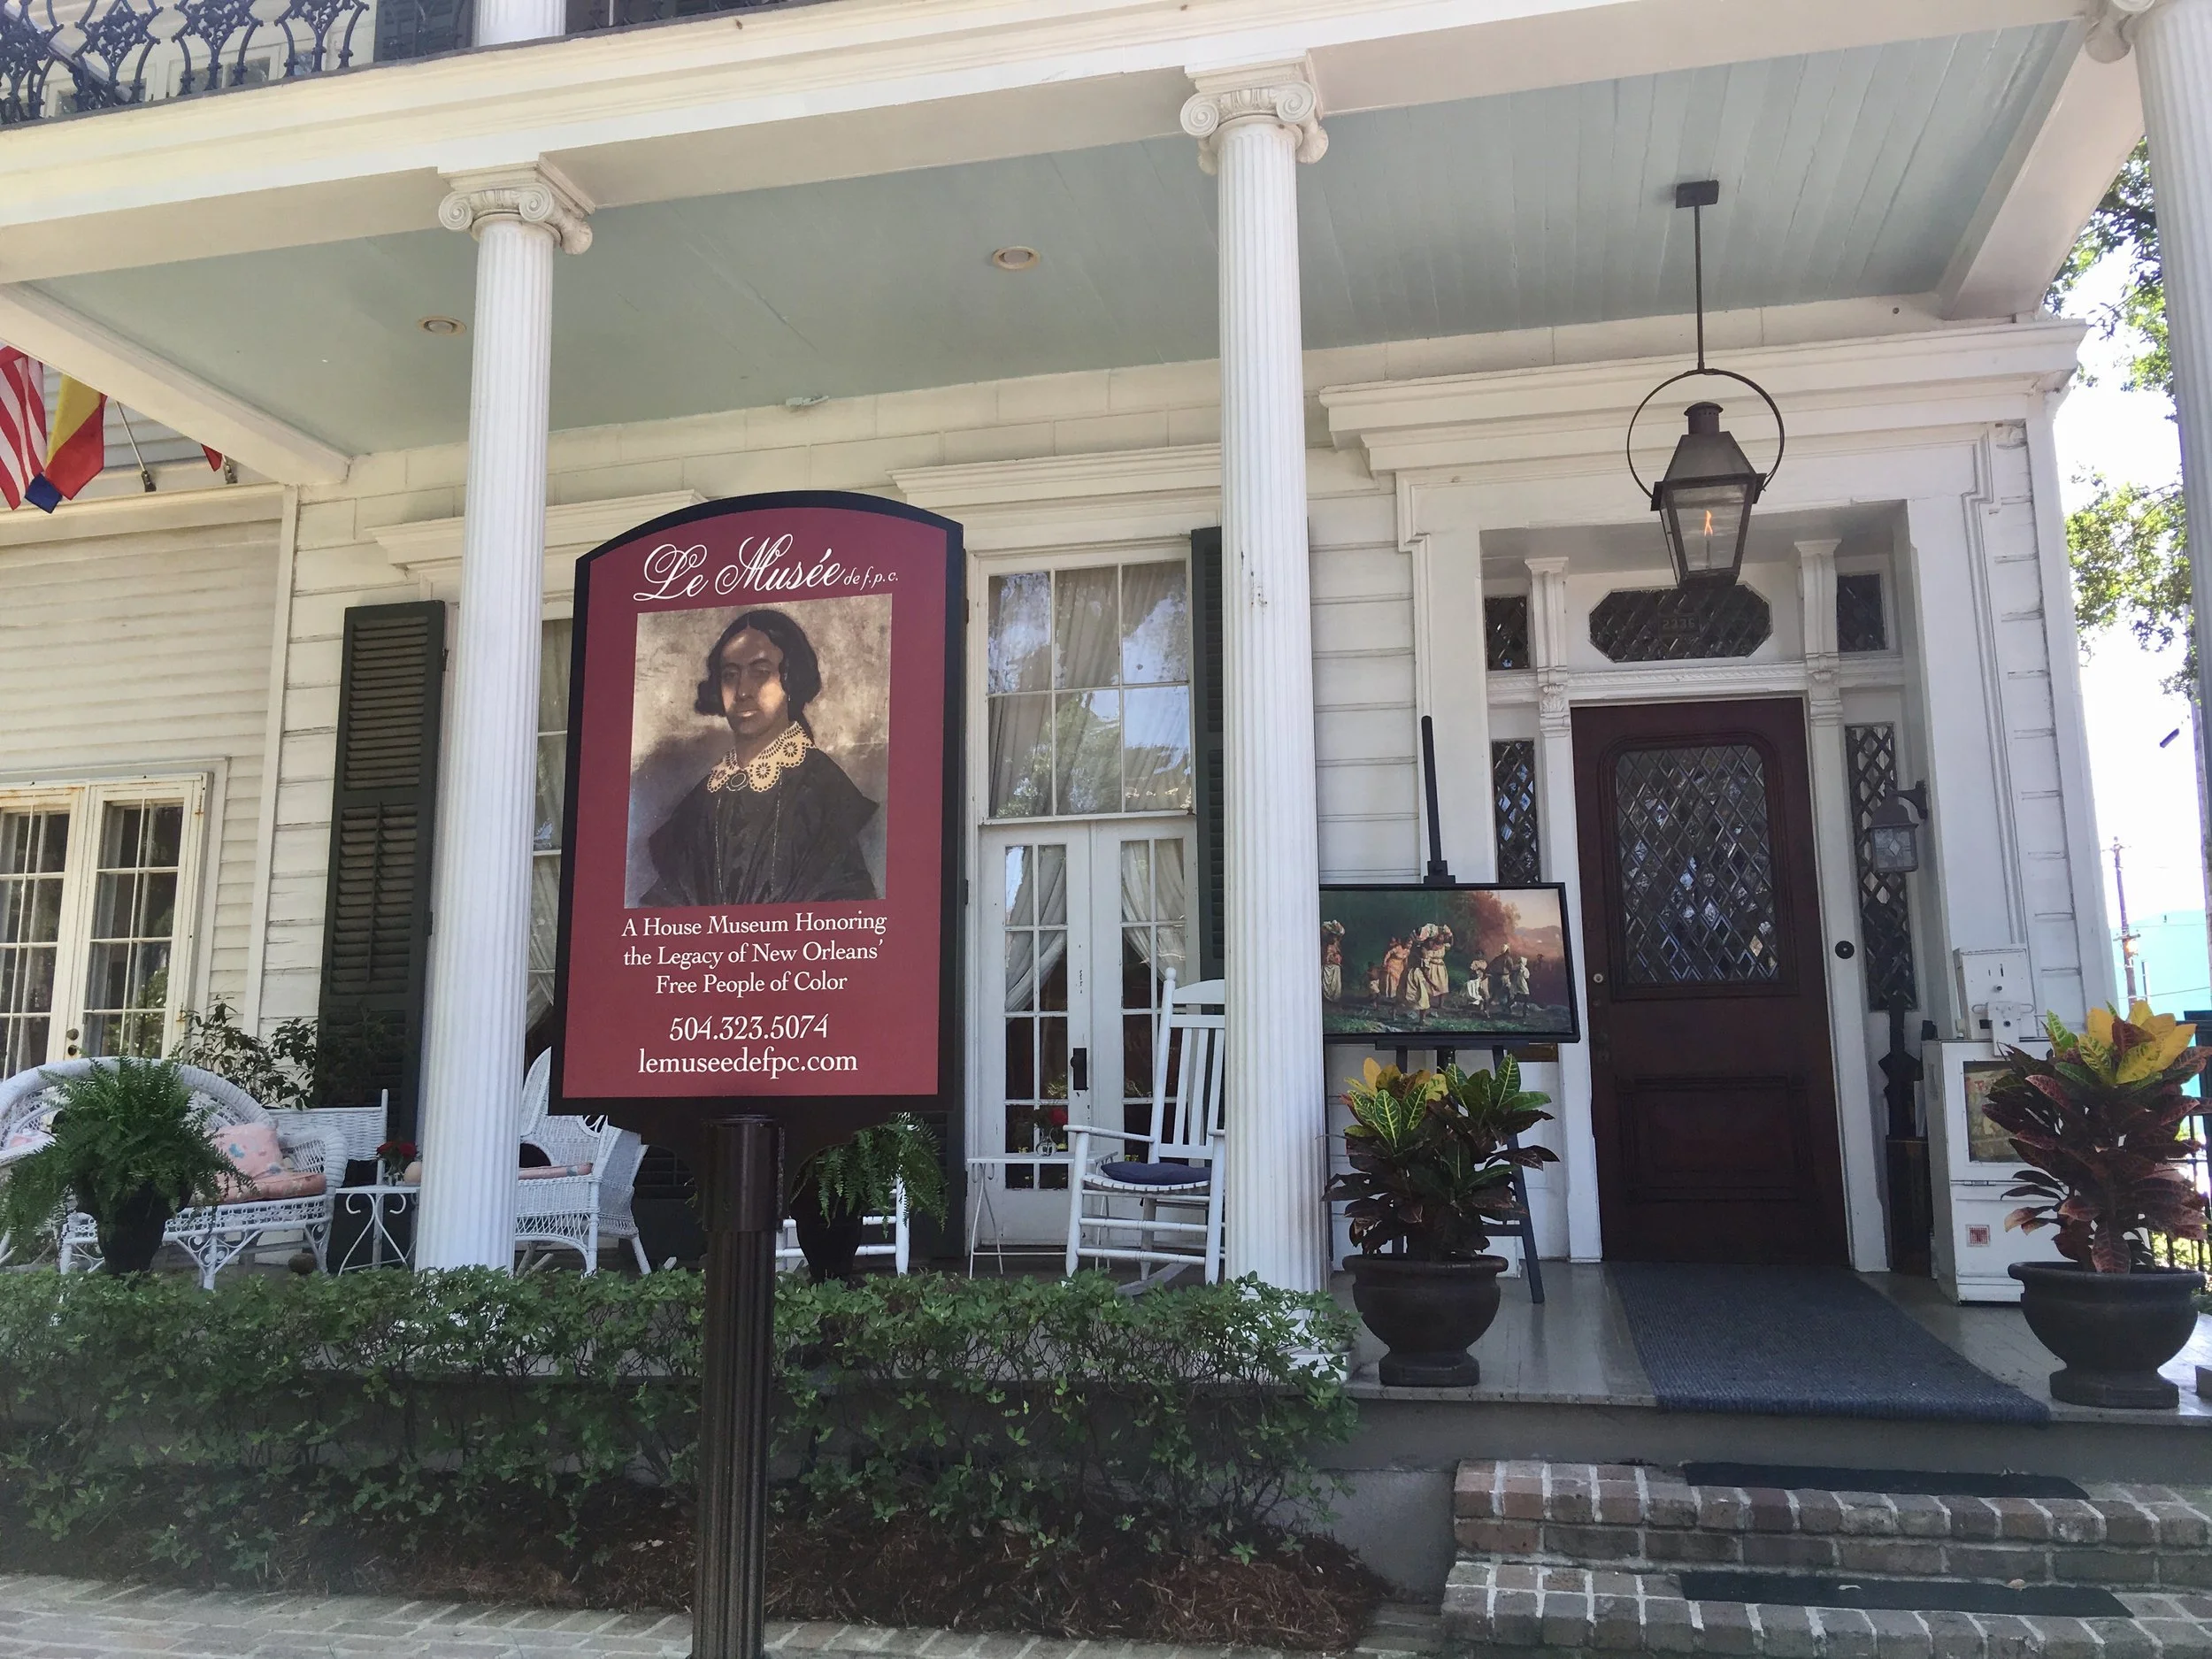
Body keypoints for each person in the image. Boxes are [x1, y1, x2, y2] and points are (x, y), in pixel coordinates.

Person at [643, 609, 878, 907]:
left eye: (760, 673)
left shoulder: (823, 788)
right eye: (730, 676)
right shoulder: (701, 800)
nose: (742, 692)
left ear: (790, 680)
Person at [1321, 920, 1345, 1002]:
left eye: (1335, 937)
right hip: (1327, 966)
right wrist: (1330, 959)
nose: (1334, 939)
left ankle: (1335, 999)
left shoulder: (1337, 945)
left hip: (1335, 967)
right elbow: (1326, 957)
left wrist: (1336, 959)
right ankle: (1327, 999)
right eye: (1332, 937)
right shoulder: (1326, 945)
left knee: (1335, 984)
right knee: (1327, 984)